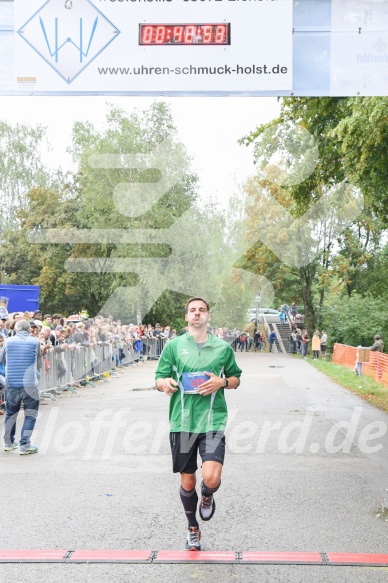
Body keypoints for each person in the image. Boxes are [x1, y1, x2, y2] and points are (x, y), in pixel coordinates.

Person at [155, 297, 242, 552]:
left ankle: (208, 495)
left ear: (208, 317)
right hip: (182, 422)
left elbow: (236, 378)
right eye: (192, 310)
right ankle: (193, 527)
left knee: (211, 477)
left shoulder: (223, 348)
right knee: (188, 481)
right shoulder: (173, 346)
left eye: (201, 310)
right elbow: (159, 377)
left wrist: (222, 382)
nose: (197, 314)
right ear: (186, 317)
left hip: (212, 420)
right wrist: (165, 385)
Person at [1, 319, 41, 454]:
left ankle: (8, 442)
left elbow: (2, 359)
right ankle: (25, 445)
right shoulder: (35, 342)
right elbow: (38, 359)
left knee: (11, 413)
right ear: (29, 329)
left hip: (12, 382)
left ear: (16, 329)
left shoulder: (7, 341)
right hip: (29, 383)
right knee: (30, 414)